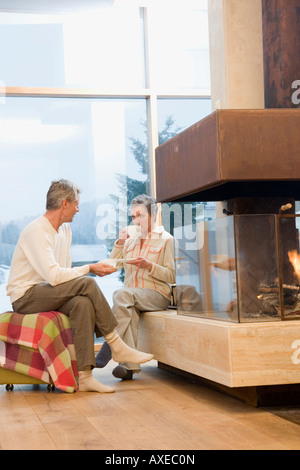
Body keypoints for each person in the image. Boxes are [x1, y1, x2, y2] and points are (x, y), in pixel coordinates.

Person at [6, 179, 153, 393]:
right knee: (87, 282)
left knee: (82, 303)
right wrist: (91, 268)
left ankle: (84, 376)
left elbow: (64, 275)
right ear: (64, 203)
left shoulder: (65, 231)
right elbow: (55, 276)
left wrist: (92, 270)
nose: (78, 208)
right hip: (26, 296)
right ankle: (116, 344)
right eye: (76, 203)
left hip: (48, 292)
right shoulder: (36, 231)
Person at [96, 194, 175, 380]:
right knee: (127, 308)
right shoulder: (130, 241)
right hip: (131, 297)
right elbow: (112, 265)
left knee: (123, 296)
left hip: (157, 295)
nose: (136, 220)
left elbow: (172, 275)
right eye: (133, 216)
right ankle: (128, 367)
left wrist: (150, 266)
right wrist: (120, 243)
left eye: (140, 215)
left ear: (153, 215)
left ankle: (108, 345)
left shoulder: (166, 240)